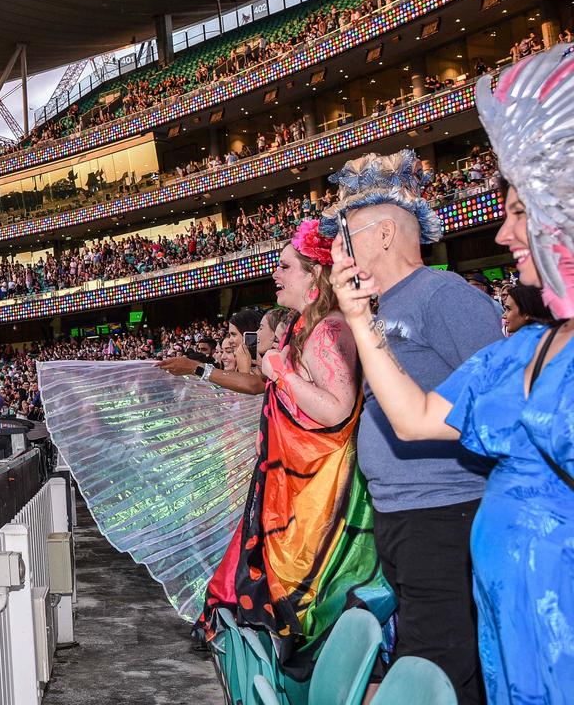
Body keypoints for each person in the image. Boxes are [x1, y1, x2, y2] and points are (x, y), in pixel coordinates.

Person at [330, 49, 574, 704]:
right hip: (509, 624)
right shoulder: (526, 353)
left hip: (499, 566)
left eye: (521, 213)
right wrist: (358, 321)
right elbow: (416, 415)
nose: (502, 233)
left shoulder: (442, 296)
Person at [317, 150, 498, 704]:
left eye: (345, 235)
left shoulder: (445, 297)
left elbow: (495, 408)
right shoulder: (373, 310)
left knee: (439, 666)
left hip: (445, 512)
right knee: (421, 657)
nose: (336, 250)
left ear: (387, 234)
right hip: (398, 513)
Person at [198, 219, 394, 686]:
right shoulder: (308, 328)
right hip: (298, 488)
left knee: (304, 602)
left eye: (285, 266)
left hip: (320, 495)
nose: (276, 275)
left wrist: (280, 371)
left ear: (314, 276)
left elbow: (335, 409)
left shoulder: (327, 331)